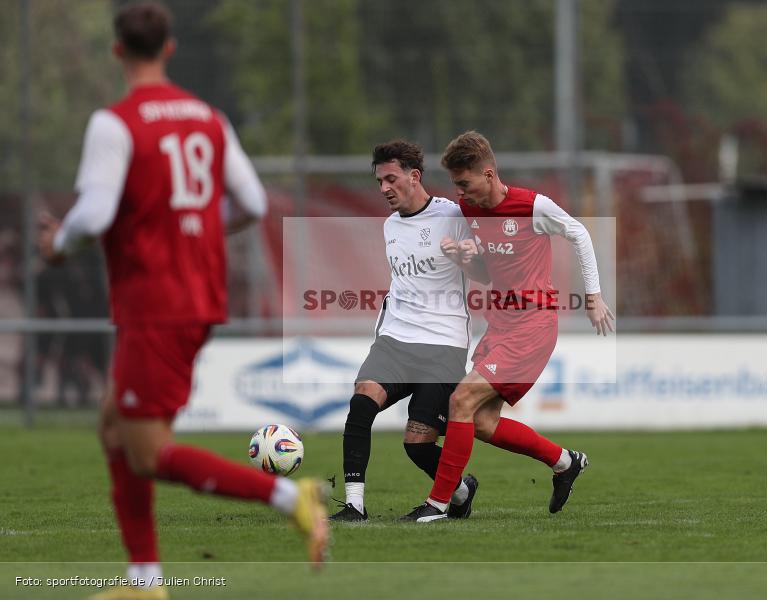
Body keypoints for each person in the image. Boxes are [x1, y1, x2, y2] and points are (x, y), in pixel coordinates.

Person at [37, 3, 327, 598]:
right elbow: (250, 203)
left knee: (147, 454)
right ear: (169, 49)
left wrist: (58, 245)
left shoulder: (115, 123)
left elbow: (93, 214)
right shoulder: (208, 118)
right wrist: (191, 229)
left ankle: (288, 496)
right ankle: (145, 580)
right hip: (197, 295)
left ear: (118, 51)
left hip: (155, 302)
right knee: (113, 426)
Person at [402, 131, 616, 522]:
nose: (460, 193)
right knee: (482, 422)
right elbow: (485, 273)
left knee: (461, 400)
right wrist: (463, 258)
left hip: (532, 324)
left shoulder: (532, 206)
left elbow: (580, 234)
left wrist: (594, 296)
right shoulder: (469, 210)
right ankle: (565, 462)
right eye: (455, 185)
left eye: (464, 183)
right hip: (499, 324)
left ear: (488, 174)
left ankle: (438, 504)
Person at [331, 140, 489, 522]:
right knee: (361, 402)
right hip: (396, 341)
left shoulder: (452, 215)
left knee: (417, 444)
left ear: (414, 176)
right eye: (379, 181)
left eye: (391, 179)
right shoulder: (390, 226)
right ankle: (354, 506)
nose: (384, 188)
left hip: (443, 345)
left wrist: (464, 258)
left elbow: (484, 273)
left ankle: (461, 491)